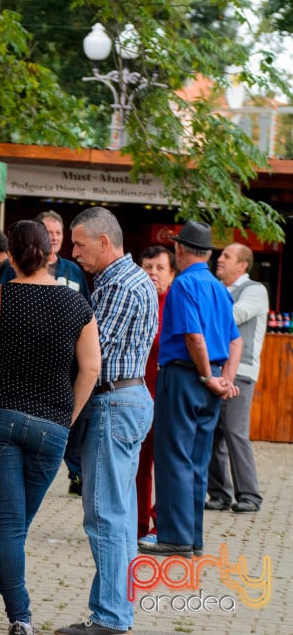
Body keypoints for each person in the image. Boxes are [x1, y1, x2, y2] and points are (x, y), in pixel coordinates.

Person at [0, 220, 100, 635]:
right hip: (53, 427)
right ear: (51, 255)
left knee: (10, 528)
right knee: (16, 528)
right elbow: (91, 368)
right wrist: (70, 414)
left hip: (2, 420)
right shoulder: (77, 305)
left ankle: (21, 619)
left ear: (9, 255)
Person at [55, 207, 157, 635]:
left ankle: (112, 617)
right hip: (128, 398)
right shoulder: (131, 279)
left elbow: (89, 357)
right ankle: (112, 611)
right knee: (118, 513)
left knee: (106, 517)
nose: (73, 252)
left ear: (103, 241)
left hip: (114, 401)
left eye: (78, 243)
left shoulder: (117, 285)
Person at [141, 220, 241, 559]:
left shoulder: (183, 285)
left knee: (174, 458)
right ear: (209, 253)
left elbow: (194, 336)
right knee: (198, 460)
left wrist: (206, 376)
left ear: (179, 250)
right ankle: (193, 538)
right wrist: (223, 379)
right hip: (209, 378)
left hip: (185, 376)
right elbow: (235, 340)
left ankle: (175, 537)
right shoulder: (218, 287)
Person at [0, 211, 92, 497]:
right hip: (18, 377)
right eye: (48, 232)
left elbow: (88, 317)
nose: (53, 238)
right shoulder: (9, 271)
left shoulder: (74, 273)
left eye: (58, 233)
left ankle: (76, 473)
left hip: (65, 370)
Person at [206, 243, 268, 513]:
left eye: (227, 256)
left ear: (243, 265)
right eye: (220, 256)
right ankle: (219, 495)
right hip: (216, 371)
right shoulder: (220, 289)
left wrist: (202, 318)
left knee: (234, 432)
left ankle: (250, 496)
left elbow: (236, 315)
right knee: (213, 434)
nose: (220, 260)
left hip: (240, 371)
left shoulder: (255, 290)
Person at [136, 246, 176, 540]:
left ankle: (159, 524)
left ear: (172, 274)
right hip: (137, 396)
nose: (152, 273)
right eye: (147, 266)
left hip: (166, 398)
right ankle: (137, 525)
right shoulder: (136, 301)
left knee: (163, 465)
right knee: (138, 465)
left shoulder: (175, 305)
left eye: (160, 268)